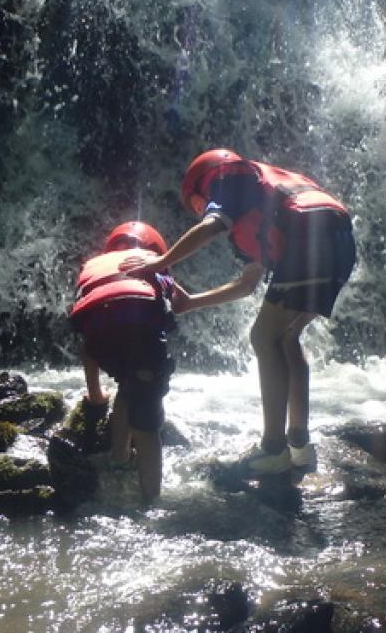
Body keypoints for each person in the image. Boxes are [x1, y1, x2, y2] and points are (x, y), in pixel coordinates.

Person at [120, 149, 356, 475]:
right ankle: (300, 445)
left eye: (197, 204)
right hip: (340, 237)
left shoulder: (227, 176)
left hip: (309, 235)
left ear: (201, 185)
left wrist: (160, 262)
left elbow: (212, 225)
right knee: (287, 338)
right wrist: (191, 303)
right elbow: (247, 285)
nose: (201, 210)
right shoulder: (264, 196)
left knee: (263, 336)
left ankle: (273, 449)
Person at [69, 221, 183, 501]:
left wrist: (95, 396)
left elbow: (85, 343)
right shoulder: (155, 264)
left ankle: (119, 458)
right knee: (146, 417)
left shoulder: (96, 265)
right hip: (141, 331)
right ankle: (151, 501)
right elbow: (177, 305)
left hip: (97, 334)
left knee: (126, 383)